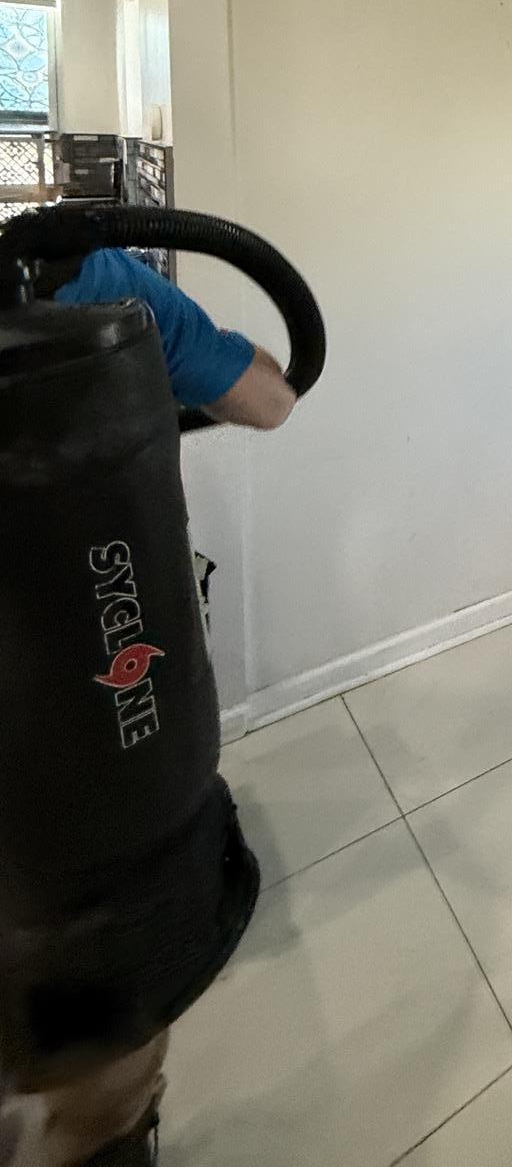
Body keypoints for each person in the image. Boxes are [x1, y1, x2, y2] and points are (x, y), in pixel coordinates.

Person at [0, 249, 293, 1167]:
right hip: (90, 830)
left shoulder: (73, 275)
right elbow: (270, 398)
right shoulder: (90, 282)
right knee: (96, 1098)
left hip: (81, 809)